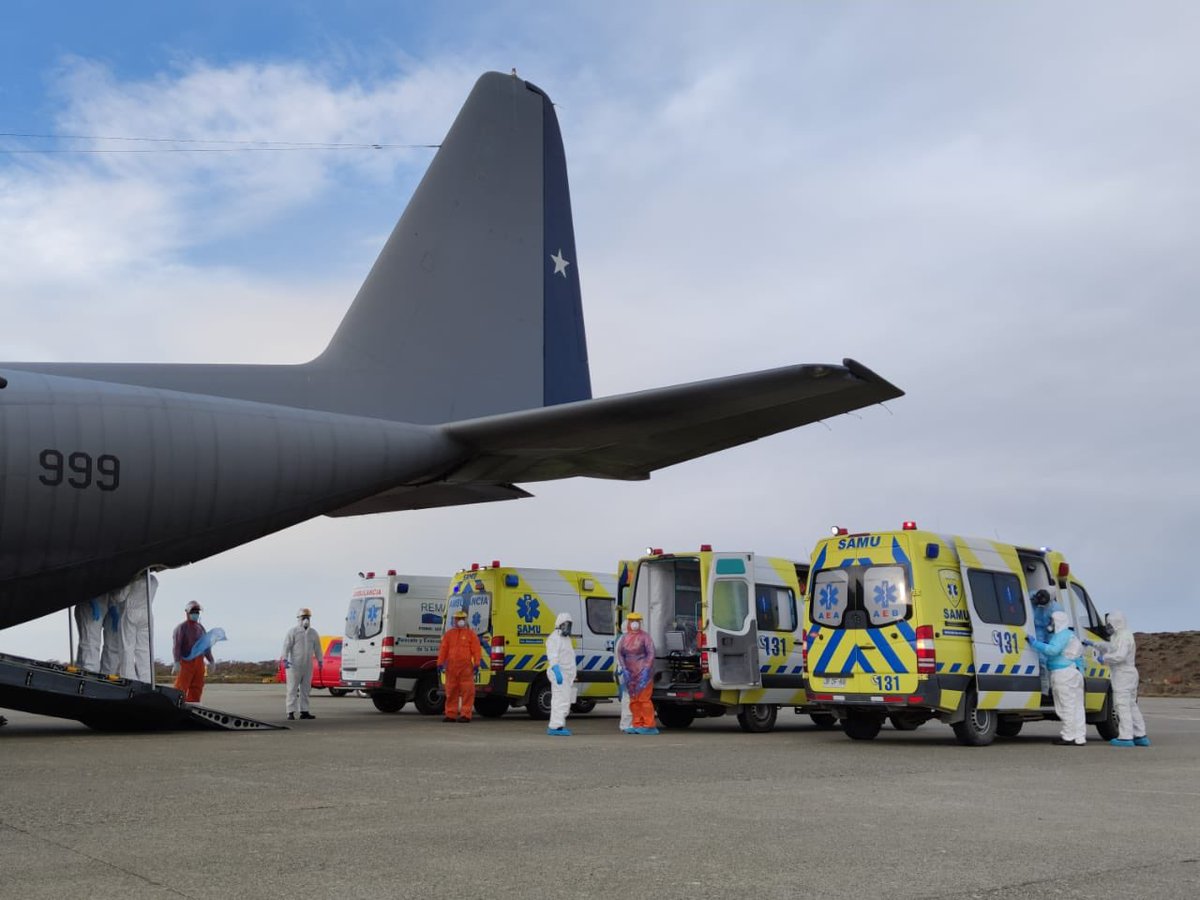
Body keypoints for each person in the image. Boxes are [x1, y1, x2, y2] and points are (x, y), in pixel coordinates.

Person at [1086, 610, 1150, 747]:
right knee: (1131, 705)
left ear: (1116, 623)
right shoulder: (1122, 635)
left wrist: (1104, 659)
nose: (1108, 627)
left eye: (1109, 624)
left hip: (1123, 674)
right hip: (1128, 674)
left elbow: (1119, 655)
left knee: (1122, 705)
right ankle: (1140, 735)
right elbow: (1111, 647)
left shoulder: (1123, 637)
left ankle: (1126, 737)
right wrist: (1094, 644)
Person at [1028, 610, 1086, 745]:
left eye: (1052, 621)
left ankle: (1068, 736)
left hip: (1063, 674)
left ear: (1057, 622)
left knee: (1066, 706)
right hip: (1074, 673)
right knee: (1077, 706)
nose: (1050, 624)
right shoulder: (1071, 635)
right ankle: (1079, 737)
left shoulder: (1061, 636)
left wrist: (1035, 643)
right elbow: (1079, 658)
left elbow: (1052, 650)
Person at [437, 608, 482, 723]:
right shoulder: (449, 635)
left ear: (466, 620)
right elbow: (443, 650)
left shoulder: (471, 634)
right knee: (451, 691)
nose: (460, 621)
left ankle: (466, 715)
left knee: (467, 691)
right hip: (451, 668)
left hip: (466, 668)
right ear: (454, 620)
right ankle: (450, 714)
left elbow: (476, 650)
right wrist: (440, 663)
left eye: (462, 618)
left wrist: (477, 663)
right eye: (458, 619)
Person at [618, 611, 658, 734]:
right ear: (628, 622)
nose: (634, 624)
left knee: (644, 700)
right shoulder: (624, 638)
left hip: (643, 674)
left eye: (637, 621)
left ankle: (649, 725)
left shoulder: (645, 637)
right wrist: (624, 669)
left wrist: (646, 669)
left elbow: (651, 653)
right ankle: (637, 723)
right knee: (634, 701)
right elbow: (620, 654)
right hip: (630, 674)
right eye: (632, 621)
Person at [281, 607, 323, 720]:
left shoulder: (313, 633)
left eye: (308, 618)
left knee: (306, 689)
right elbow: (286, 646)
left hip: (307, 665)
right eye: (304, 618)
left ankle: (304, 711)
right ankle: (290, 712)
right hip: (294, 665)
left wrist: (320, 660)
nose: (306, 620)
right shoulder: (293, 632)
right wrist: (284, 659)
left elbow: (318, 648)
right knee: (292, 689)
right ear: (299, 619)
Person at [118, 572, 158, 682]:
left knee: (127, 647)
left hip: (132, 612)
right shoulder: (154, 580)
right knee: (145, 649)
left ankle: (128, 678)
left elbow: (120, 597)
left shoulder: (132, 579)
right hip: (147, 614)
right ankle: (147, 680)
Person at [172, 601, 214, 703]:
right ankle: (176, 707)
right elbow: (177, 645)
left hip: (199, 662)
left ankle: (194, 706)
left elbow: (206, 646)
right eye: (193, 611)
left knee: (197, 686)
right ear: (187, 612)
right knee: (181, 686)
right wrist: (177, 662)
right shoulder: (181, 627)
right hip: (186, 661)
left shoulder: (201, 628)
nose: (196, 614)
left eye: (197, 612)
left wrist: (211, 661)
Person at [544, 612, 577, 736]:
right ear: (560, 624)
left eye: (569, 625)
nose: (568, 627)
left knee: (565, 700)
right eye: (566, 624)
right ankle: (555, 726)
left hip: (566, 675)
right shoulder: (554, 638)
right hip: (560, 674)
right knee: (560, 700)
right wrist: (557, 671)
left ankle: (559, 724)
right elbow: (553, 656)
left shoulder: (566, 639)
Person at [1030, 589, 1062, 694]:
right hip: (1037, 629)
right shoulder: (1033, 596)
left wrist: (1052, 626)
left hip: (1049, 632)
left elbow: (1058, 623)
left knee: (1049, 658)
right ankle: (1044, 690)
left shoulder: (1056, 608)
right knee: (1040, 658)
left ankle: (1048, 690)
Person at [73, 596, 106, 671]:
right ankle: (89, 672)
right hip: (89, 607)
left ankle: (83, 671)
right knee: (90, 642)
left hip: (97, 606)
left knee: (89, 643)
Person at [614, 620, 633, 733]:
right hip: (626, 673)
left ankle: (628, 724)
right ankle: (626, 724)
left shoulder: (622, 638)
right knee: (628, 700)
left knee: (628, 699)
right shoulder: (625, 640)